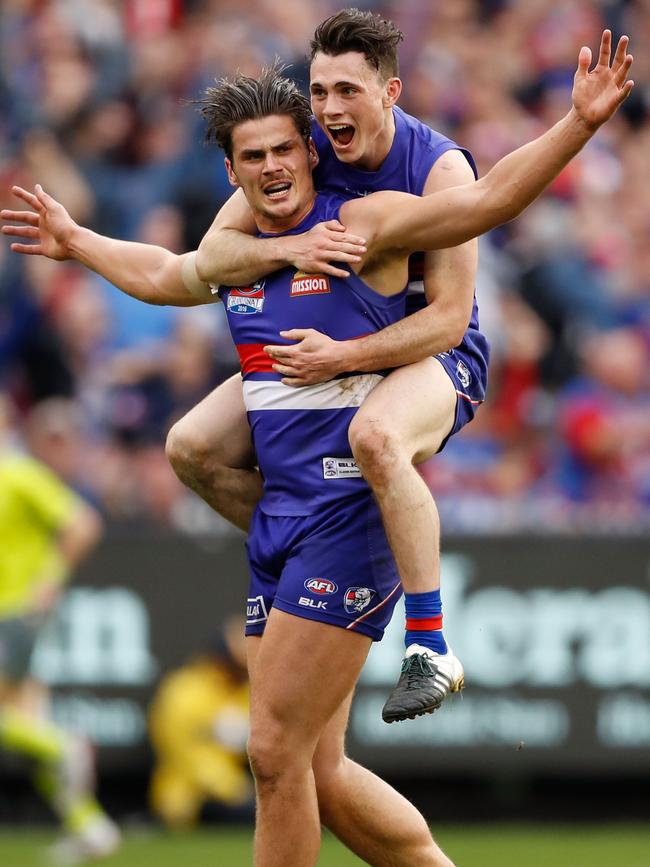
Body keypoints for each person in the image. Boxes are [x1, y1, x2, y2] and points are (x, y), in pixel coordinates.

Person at [1, 32, 634, 867]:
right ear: (232, 173)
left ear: (314, 149)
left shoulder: (363, 221)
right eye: (253, 156)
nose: (272, 166)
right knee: (312, 770)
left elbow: (480, 217)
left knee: (271, 748)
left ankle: (431, 638)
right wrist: (78, 240)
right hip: (287, 519)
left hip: (347, 506)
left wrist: (578, 125)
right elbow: (169, 271)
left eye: (282, 150)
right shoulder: (248, 246)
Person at [174, 9, 483, 723]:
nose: (329, 109)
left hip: (433, 356)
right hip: (335, 353)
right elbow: (211, 256)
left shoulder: (439, 168)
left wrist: (341, 356)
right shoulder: (300, 150)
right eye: (319, 91)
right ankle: (322, 541)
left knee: (374, 437)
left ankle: (430, 641)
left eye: (347, 90)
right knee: (190, 447)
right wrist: (289, 251)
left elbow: (447, 320)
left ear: (390, 91)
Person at [0, 397, 121, 864]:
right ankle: (89, 826)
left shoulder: (16, 472)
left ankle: (63, 745)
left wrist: (48, 580)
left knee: (26, 729)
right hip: (15, 613)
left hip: (13, 613)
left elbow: (82, 524)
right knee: (23, 722)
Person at [148, 617, 253, 829]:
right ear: (220, 659)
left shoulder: (247, 693)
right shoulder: (184, 691)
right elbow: (186, 756)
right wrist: (234, 790)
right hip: (188, 798)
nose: (245, 673)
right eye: (238, 666)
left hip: (238, 790)